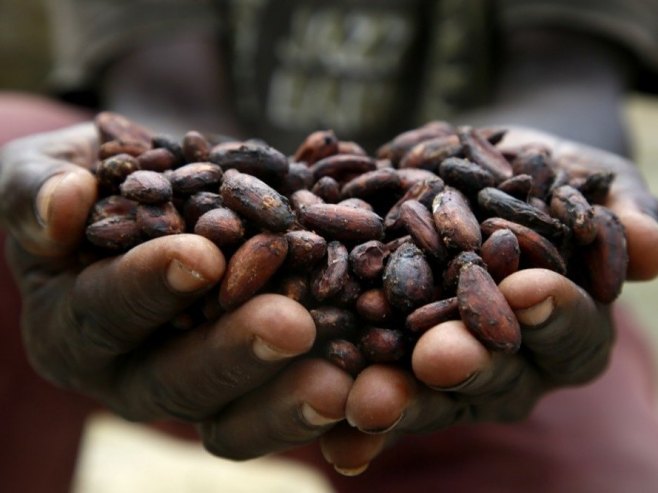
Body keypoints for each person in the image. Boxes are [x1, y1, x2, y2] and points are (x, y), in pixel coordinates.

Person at [2, 1, 658, 492]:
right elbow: (162, 98)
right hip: (164, 306)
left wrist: (555, 198)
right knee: (14, 143)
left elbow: (569, 78)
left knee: (613, 470)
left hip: (469, 340)